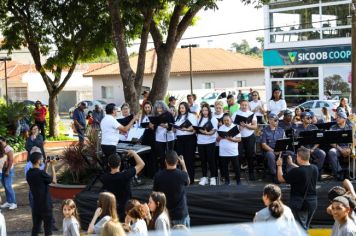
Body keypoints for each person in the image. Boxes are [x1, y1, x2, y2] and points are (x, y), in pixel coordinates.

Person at [276, 147, 318, 230]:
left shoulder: (296, 171)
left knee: (300, 228)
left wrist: (279, 166)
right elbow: (303, 169)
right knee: (305, 227)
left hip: (300, 202)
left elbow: (280, 178)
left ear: (299, 157)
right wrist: (291, 163)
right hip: (312, 201)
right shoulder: (314, 168)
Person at [100, 151, 145, 222]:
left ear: (108, 164)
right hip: (126, 210)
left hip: (113, 210)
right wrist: (133, 153)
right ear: (120, 164)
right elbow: (142, 164)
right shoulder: (125, 175)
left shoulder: (104, 178)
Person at [153, 151, 190, 227]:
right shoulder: (182, 175)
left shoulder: (158, 176)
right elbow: (188, 181)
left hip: (165, 215)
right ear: (177, 161)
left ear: (165, 161)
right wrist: (183, 164)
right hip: (181, 214)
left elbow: (155, 193)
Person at [26, 152, 57, 236]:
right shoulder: (40, 173)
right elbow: (54, 181)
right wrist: (53, 166)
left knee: (35, 228)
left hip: (36, 205)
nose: (43, 161)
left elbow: (42, 176)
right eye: (42, 160)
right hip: (45, 205)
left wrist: (46, 165)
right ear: (38, 161)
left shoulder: (29, 173)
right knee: (48, 229)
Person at [100, 103, 138, 169]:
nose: (117, 111)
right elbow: (125, 129)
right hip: (110, 146)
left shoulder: (104, 119)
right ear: (113, 111)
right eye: (116, 110)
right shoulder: (112, 119)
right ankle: (115, 178)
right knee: (115, 166)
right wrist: (133, 119)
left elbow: (111, 130)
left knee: (110, 164)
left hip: (104, 144)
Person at [232, 98, 257, 180]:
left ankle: (251, 174)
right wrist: (240, 127)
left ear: (248, 105)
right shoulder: (235, 114)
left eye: (246, 105)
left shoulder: (251, 114)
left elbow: (255, 126)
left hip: (250, 137)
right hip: (239, 138)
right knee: (238, 156)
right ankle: (238, 174)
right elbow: (232, 127)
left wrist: (246, 126)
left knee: (250, 155)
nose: (244, 106)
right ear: (240, 105)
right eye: (242, 105)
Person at [174, 102, 197, 183]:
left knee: (189, 159)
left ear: (186, 108)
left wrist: (185, 129)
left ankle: (190, 179)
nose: (181, 109)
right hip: (179, 139)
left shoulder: (191, 116)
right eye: (180, 108)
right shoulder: (177, 117)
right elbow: (175, 128)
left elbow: (194, 129)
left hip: (189, 139)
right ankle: (182, 179)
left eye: (183, 108)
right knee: (180, 159)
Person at [197, 103, 218, 186]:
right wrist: (198, 130)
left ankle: (213, 177)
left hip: (210, 142)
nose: (204, 112)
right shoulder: (199, 119)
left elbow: (214, 130)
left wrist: (207, 133)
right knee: (203, 161)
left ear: (209, 111)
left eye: (206, 110)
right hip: (200, 142)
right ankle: (204, 177)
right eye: (203, 110)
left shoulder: (213, 119)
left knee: (211, 160)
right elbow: (197, 129)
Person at [218, 113, 242, 185]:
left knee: (236, 167)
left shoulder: (235, 127)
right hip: (223, 152)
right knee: (225, 167)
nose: (226, 122)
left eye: (227, 120)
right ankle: (227, 181)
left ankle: (238, 181)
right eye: (224, 120)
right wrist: (220, 137)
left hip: (233, 151)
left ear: (231, 120)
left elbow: (239, 139)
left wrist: (231, 139)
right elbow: (217, 139)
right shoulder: (221, 128)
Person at [150, 100, 175, 169]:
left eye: (161, 108)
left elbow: (172, 125)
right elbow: (154, 127)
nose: (159, 109)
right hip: (159, 137)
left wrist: (162, 124)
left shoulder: (168, 114)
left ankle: (171, 169)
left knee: (170, 155)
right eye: (157, 108)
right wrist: (152, 125)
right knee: (161, 156)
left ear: (164, 108)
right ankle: (163, 170)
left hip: (169, 137)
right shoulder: (155, 115)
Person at [328, 110, 352, 180]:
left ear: (344, 118)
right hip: (338, 148)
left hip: (349, 147)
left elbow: (355, 139)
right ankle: (339, 172)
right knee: (332, 152)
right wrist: (341, 149)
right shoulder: (333, 127)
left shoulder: (351, 127)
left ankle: (349, 171)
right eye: (336, 117)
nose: (337, 119)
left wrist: (350, 149)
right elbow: (331, 141)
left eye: (339, 117)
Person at [261, 113, 286, 183]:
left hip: (280, 150)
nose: (277, 122)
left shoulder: (281, 130)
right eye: (275, 120)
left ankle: (288, 174)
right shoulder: (265, 131)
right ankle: (275, 175)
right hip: (270, 151)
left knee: (290, 153)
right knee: (270, 155)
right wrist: (273, 151)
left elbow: (284, 142)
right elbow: (263, 144)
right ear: (269, 121)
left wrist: (280, 152)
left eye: (277, 120)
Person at [139, 101, 156, 178]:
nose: (147, 109)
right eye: (145, 107)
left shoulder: (153, 116)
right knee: (144, 155)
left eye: (148, 107)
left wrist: (150, 125)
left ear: (151, 107)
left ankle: (152, 174)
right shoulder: (142, 116)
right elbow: (139, 127)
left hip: (152, 137)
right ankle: (145, 173)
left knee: (152, 155)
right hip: (144, 137)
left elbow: (154, 128)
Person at [0, 137, 17, 210]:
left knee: (8, 185)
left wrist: (7, 171)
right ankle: (9, 202)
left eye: (1, 142)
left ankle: (14, 203)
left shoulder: (9, 149)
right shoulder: (2, 148)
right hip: (2, 169)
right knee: (5, 186)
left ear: (5, 141)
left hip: (8, 170)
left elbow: (11, 160)